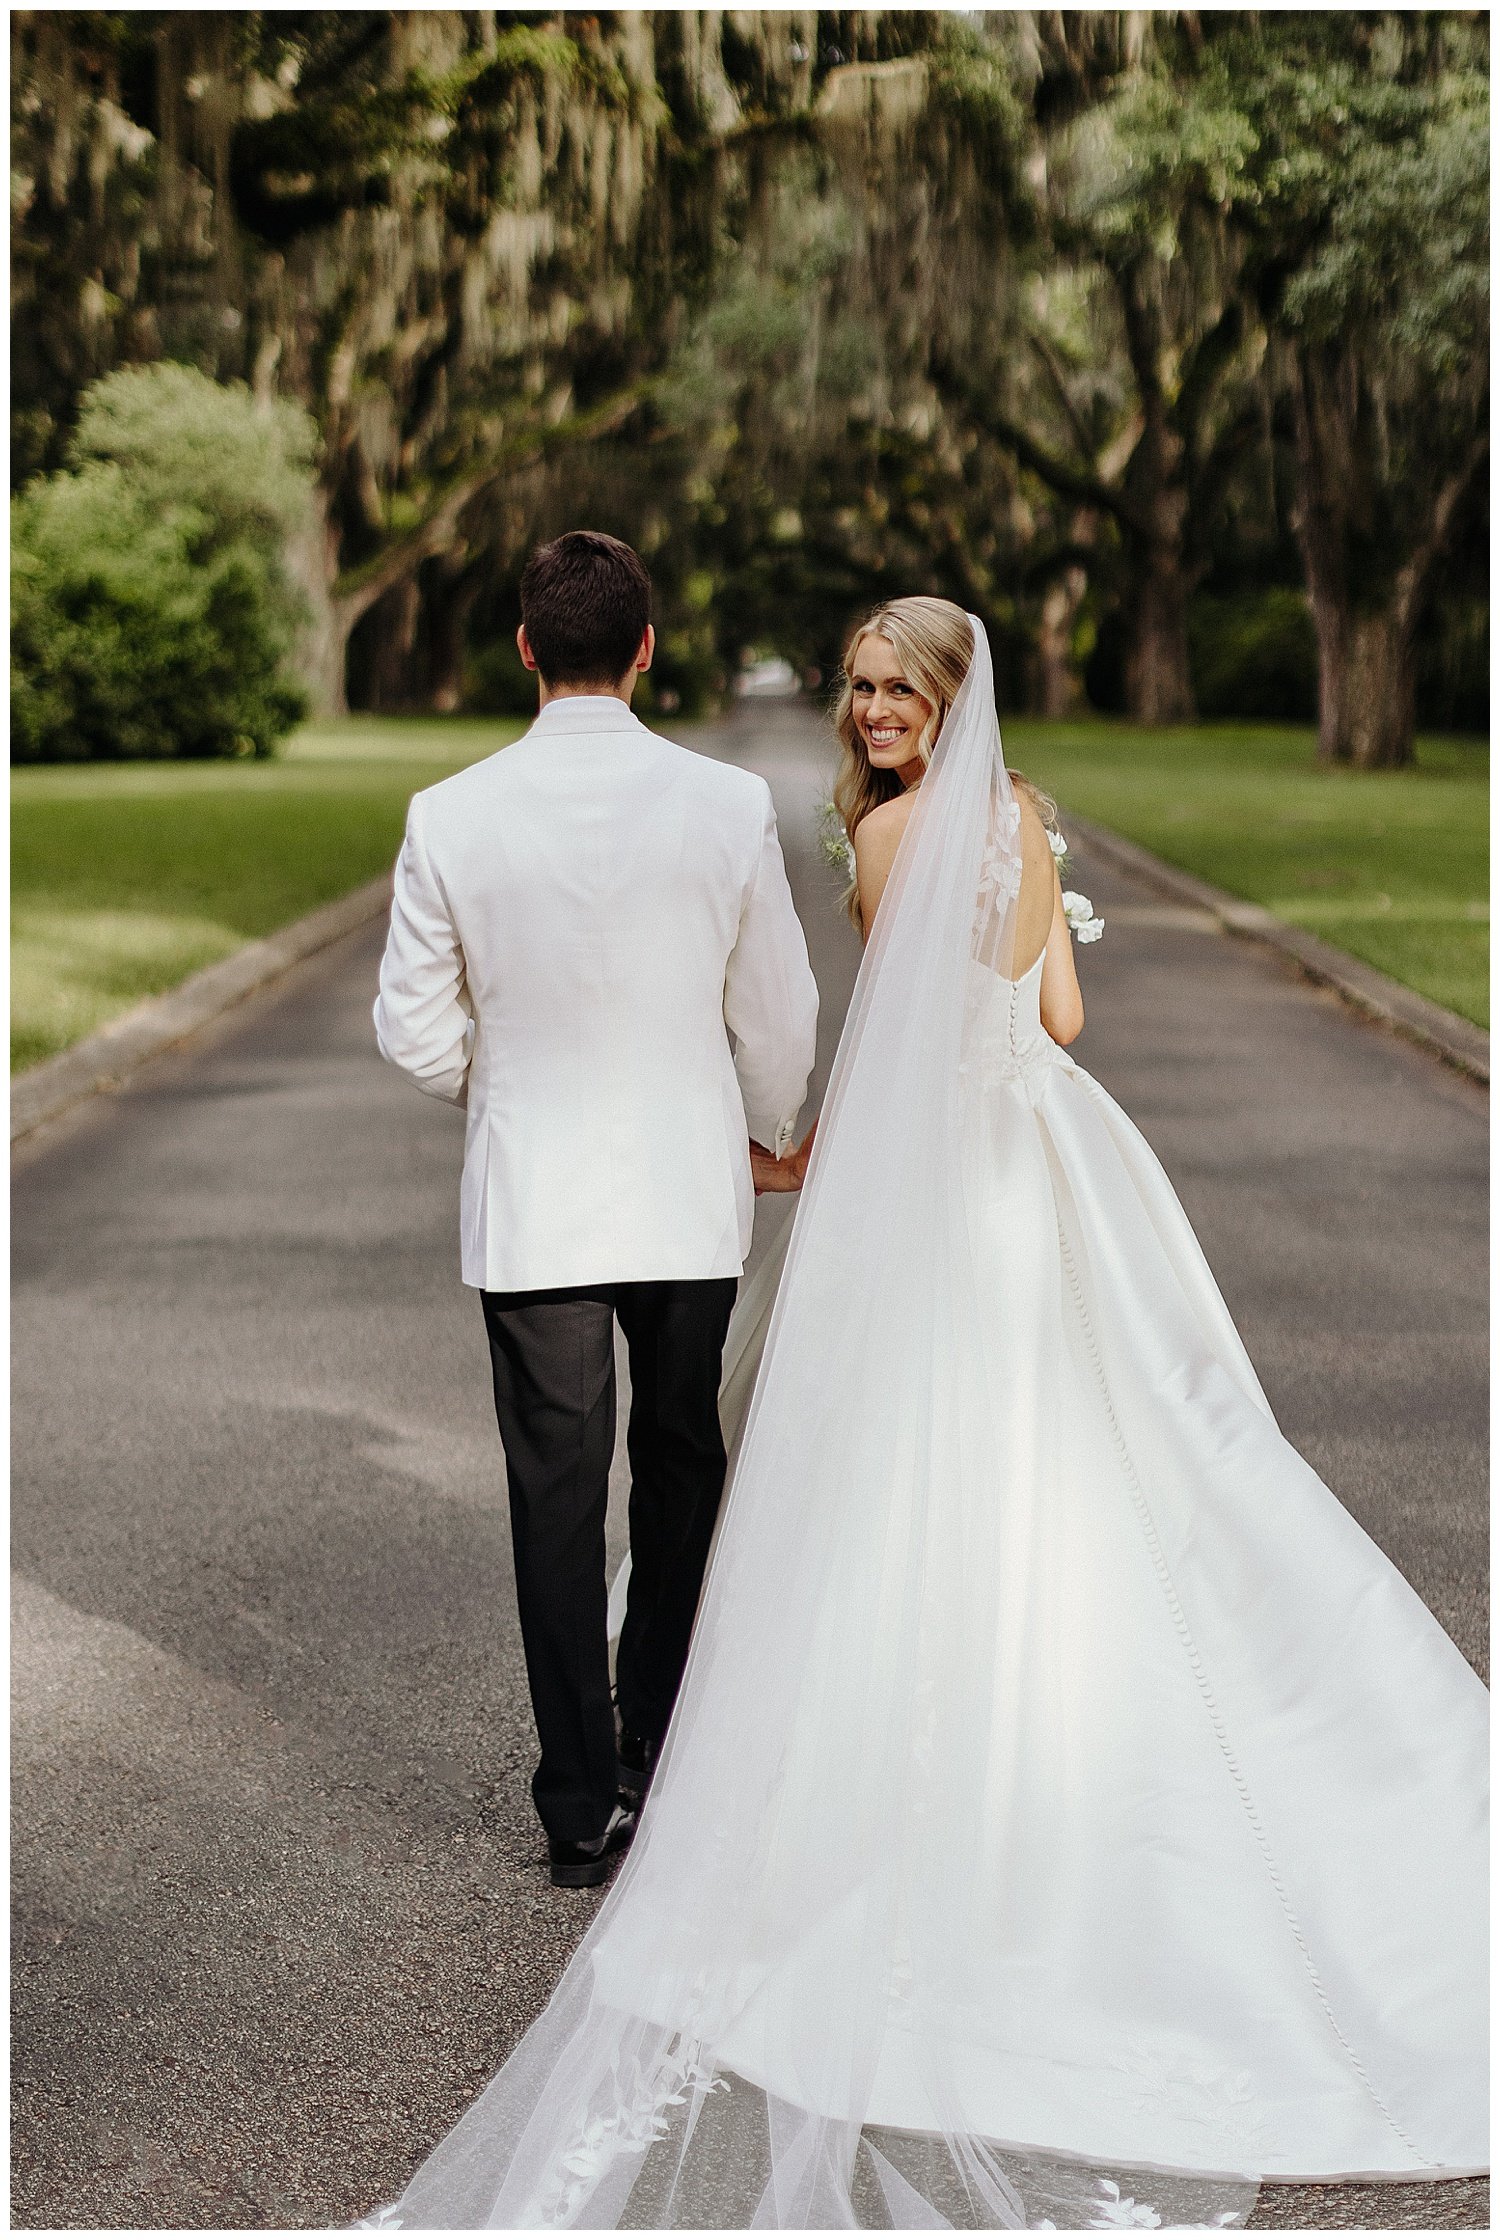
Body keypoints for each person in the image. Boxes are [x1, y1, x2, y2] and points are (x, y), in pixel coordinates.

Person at [361, 596, 1486, 2230]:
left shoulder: (890, 838)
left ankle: (760, 1767)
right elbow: (1061, 1025)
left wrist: (810, 1152)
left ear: (945, 706)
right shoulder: (1020, 820)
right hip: (1052, 1153)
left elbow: (892, 1051)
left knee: (911, 1467)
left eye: (899, 690)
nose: (875, 710)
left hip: (949, 1182)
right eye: (864, 687)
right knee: (1116, 1447)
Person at [372, 530, 819, 1889]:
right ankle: (654, 1753)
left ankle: (576, 1806)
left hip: (537, 1206)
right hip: (687, 1195)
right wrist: (765, 1127)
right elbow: (781, 1016)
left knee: (557, 1502)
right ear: (645, 648)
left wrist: (500, 1090)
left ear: (524, 649)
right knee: (682, 1469)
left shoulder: (451, 813)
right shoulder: (727, 804)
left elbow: (410, 1029)